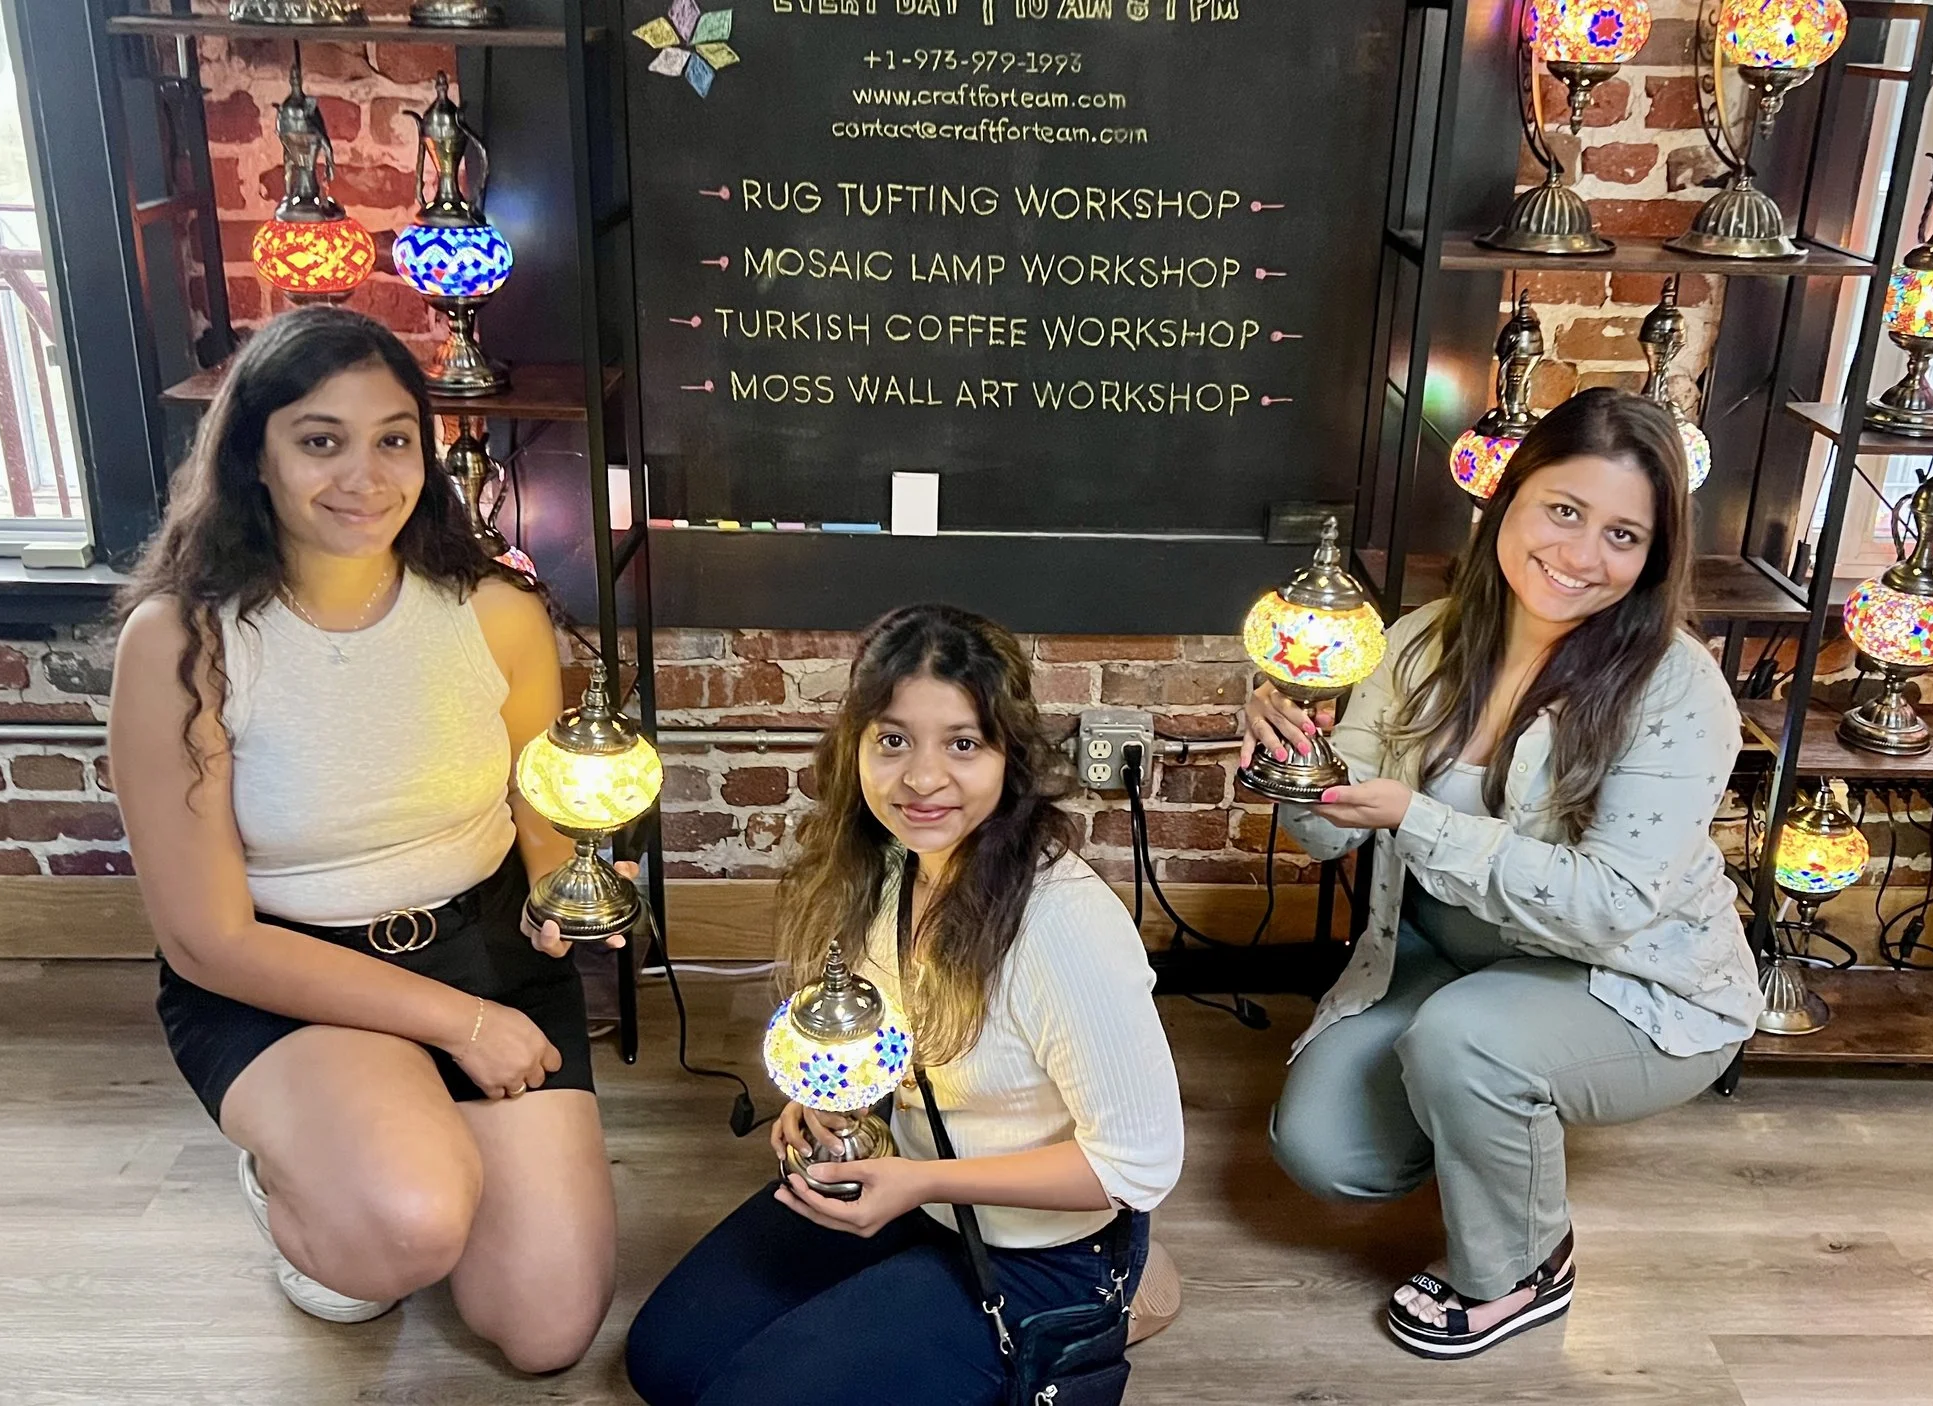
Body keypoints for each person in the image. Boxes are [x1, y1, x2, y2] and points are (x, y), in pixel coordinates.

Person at [110, 307, 616, 1372]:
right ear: (254, 450)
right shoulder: (182, 643)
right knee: (404, 1226)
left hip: (479, 942)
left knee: (545, 1327)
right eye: (320, 438)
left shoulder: (493, 609)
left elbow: (537, 794)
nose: (365, 474)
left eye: (393, 437)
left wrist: (553, 884)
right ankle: (309, 1181)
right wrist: (460, 1024)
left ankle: (401, 1136)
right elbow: (208, 939)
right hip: (283, 973)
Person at [1246, 387, 1758, 1361]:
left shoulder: (1677, 687)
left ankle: (1519, 1266)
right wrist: (1295, 765)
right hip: (1453, 959)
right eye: (1562, 510)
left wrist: (1419, 814)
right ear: (1507, 499)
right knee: (1323, 1147)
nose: (1578, 554)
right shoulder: (1423, 640)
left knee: (1468, 1040)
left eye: (1621, 533)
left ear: (1653, 554)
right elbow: (1328, 838)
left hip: (1633, 981)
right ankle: (1486, 1104)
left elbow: (1607, 907)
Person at [626, 604, 1183, 1406]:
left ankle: (1126, 1295)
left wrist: (920, 1184)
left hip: (1034, 1247)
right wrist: (819, 1102)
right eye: (893, 740)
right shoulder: (888, 863)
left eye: (962, 742)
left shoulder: (1063, 924)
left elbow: (1137, 1166)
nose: (921, 779)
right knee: (666, 1361)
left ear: (1010, 755)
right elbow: (888, 1038)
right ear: (856, 745)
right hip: (915, 1187)